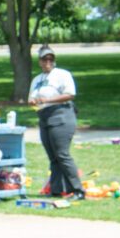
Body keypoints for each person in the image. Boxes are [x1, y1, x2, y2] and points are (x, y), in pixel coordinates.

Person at [29, 45, 85, 200]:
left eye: (50, 58)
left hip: (62, 115)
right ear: (39, 61)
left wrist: (46, 100)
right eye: (44, 58)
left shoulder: (62, 74)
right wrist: (33, 101)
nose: (47, 61)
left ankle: (78, 190)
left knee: (62, 154)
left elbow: (70, 94)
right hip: (44, 116)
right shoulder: (37, 80)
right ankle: (56, 190)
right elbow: (31, 98)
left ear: (54, 60)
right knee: (53, 156)